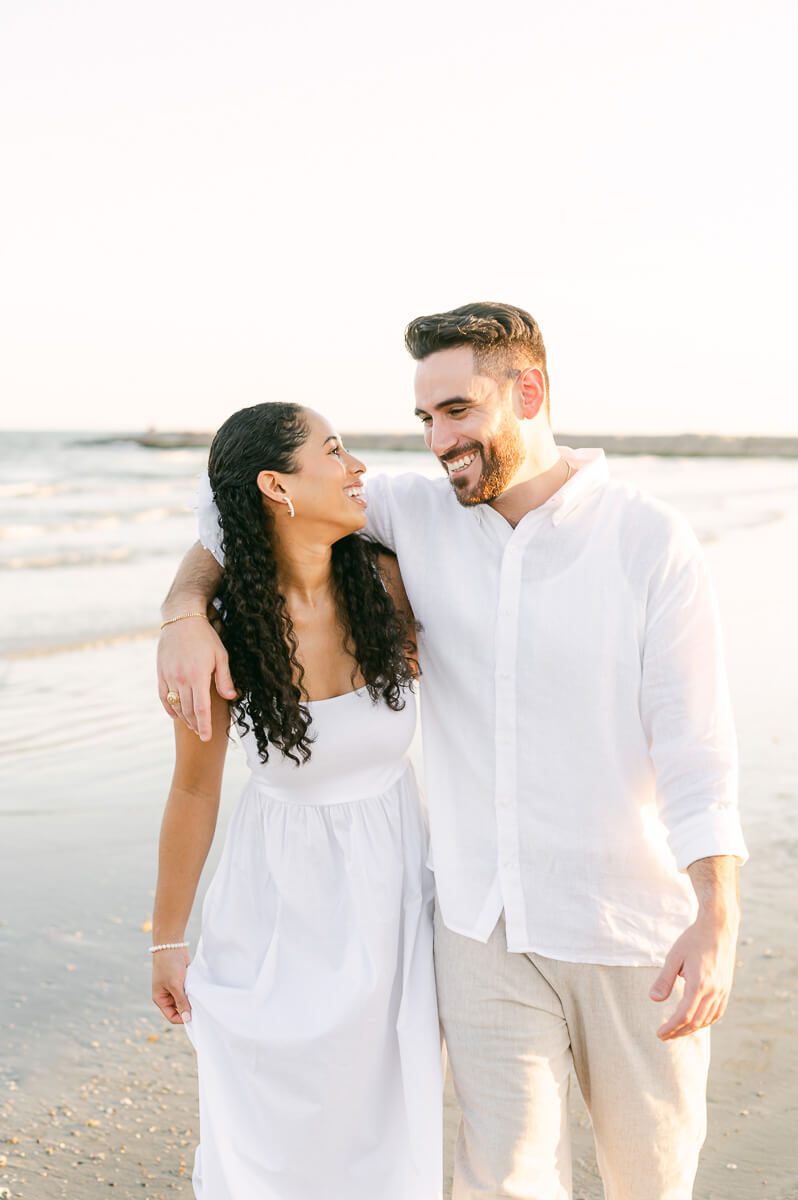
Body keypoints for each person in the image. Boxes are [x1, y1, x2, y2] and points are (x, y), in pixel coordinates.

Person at [158, 303, 747, 1200]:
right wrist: (182, 612)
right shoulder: (416, 513)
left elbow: (698, 748)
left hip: (626, 927)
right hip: (479, 930)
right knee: (499, 1183)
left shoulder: (646, 540)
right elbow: (235, 502)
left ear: (530, 390)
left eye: (459, 411)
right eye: (426, 419)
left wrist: (717, 914)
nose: (439, 440)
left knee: (650, 1179)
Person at [151, 401, 442, 1200]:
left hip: (394, 893)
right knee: (276, 1136)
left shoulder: (387, 580)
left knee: (386, 1127)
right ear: (276, 485)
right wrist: (166, 939)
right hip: (280, 904)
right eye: (336, 451)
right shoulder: (219, 632)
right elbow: (193, 788)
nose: (358, 470)